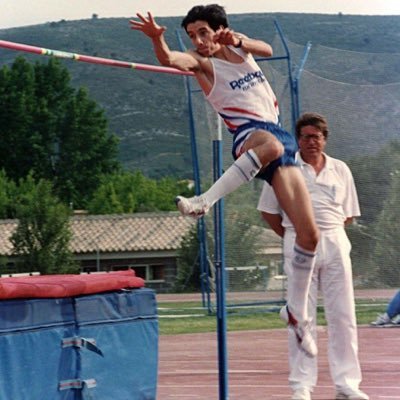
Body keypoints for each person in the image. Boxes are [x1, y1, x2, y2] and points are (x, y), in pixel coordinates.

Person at [130, 4, 319, 356]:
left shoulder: (237, 46)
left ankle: (296, 312)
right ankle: (205, 200)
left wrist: (240, 39)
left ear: (219, 29)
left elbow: (267, 50)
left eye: (203, 32)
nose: (198, 41)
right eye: (191, 36)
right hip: (250, 136)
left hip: (279, 140)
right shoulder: (201, 63)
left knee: (310, 235)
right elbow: (171, 60)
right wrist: (158, 40)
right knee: (271, 144)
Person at [258, 112, 369, 400]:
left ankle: (347, 384)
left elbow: (348, 215)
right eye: (305, 137)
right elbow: (268, 212)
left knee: (343, 315)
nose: (310, 142)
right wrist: (297, 237)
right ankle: (302, 386)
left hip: (334, 241)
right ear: (298, 139)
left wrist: (324, 236)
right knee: (300, 316)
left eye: (316, 137)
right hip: (298, 243)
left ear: (324, 139)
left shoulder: (340, 169)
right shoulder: (283, 168)